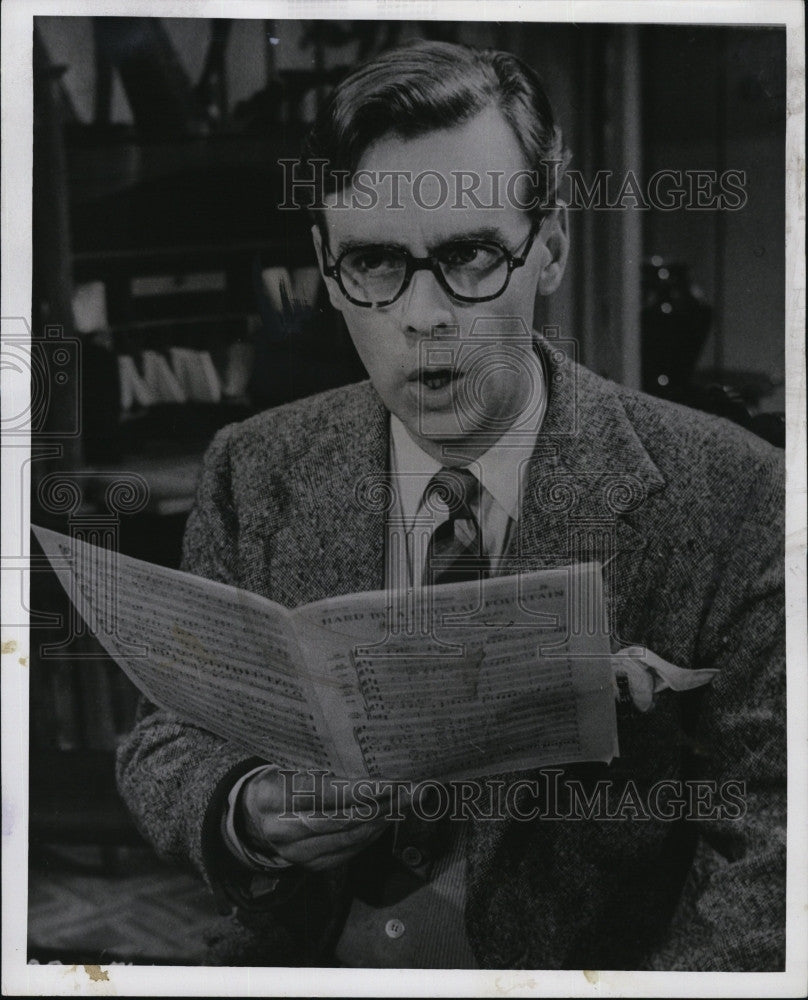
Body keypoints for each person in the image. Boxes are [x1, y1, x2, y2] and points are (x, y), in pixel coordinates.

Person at [116, 40, 785, 970]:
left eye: (469, 256)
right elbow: (167, 734)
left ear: (549, 246)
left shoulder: (740, 495)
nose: (422, 315)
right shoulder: (252, 468)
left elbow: (775, 848)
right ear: (324, 264)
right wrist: (243, 809)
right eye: (375, 266)